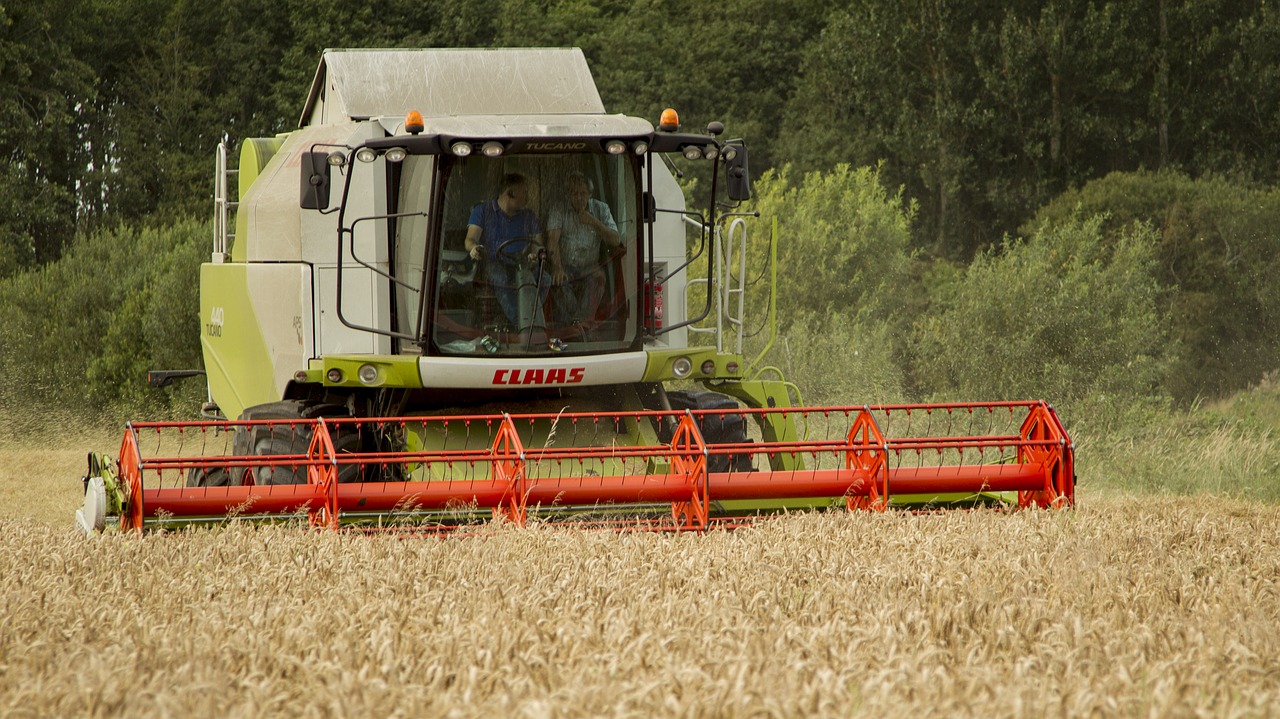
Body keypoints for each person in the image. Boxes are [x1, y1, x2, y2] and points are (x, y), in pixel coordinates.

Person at [463, 173, 550, 328]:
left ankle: (528, 316)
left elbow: (538, 244)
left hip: (522, 264)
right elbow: (470, 240)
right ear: (510, 193)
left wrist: (534, 255)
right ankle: (523, 325)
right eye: (524, 192)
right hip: (494, 263)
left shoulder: (528, 216)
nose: (527, 197)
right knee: (501, 279)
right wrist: (474, 248)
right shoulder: (483, 211)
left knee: (545, 279)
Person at [546, 172, 621, 324]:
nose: (579, 198)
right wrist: (558, 267)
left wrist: (594, 222)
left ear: (590, 194)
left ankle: (579, 326)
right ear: (568, 194)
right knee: (556, 282)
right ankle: (578, 326)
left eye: (583, 193)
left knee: (598, 279)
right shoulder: (559, 209)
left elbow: (615, 240)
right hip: (565, 267)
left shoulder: (601, 209)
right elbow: (552, 240)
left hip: (590, 268)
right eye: (574, 193)